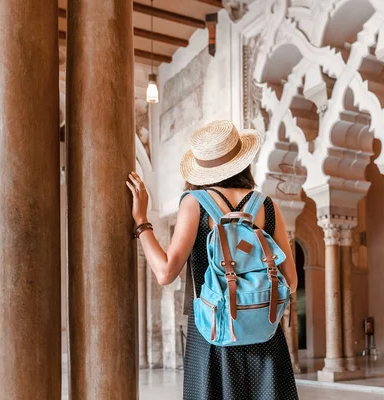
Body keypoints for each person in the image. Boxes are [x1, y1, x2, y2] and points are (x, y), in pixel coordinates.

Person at [126, 120, 299, 400]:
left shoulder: (194, 203)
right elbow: (291, 282)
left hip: (212, 335)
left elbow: (165, 273)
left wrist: (141, 221)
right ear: (241, 163)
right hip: (264, 333)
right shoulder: (267, 206)